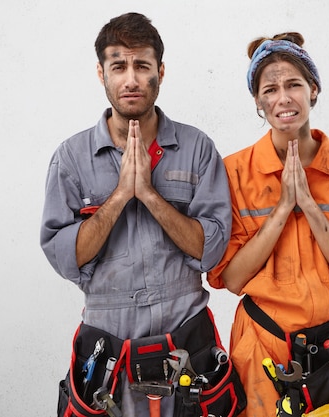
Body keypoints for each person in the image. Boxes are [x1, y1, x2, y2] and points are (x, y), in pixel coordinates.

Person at [40, 13, 233, 417]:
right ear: (101, 73)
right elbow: (64, 256)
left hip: (186, 337)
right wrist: (119, 197)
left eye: (142, 65)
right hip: (108, 343)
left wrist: (147, 194)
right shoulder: (71, 159)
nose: (130, 79)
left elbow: (211, 249)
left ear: (160, 71)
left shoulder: (197, 149)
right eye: (118, 66)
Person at [207, 32, 329, 416]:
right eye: (270, 89)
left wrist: (308, 202)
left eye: (294, 85)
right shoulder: (234, 174)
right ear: (258, 101)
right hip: (262, 352)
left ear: (314, 90)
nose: (283, 98)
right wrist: (283, 208)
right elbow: (232, 278)